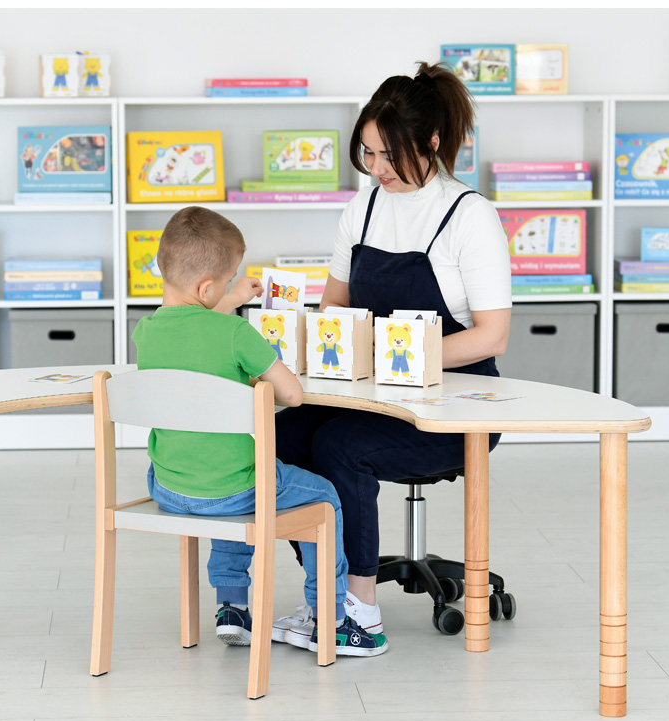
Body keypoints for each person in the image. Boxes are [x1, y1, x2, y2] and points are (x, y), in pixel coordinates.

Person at [272, 61, 512, 650]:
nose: (377, 169)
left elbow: (491, 337)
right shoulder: (364, 209)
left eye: (390, 155)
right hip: (371, 394)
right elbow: (335, 306)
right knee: (279, 436)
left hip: (456, 405)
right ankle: (326, 594)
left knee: (339, 446)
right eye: (369, 153)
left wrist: (393, 359)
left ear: (431, 142)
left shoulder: (469, 215)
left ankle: (361, 616)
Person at [132, 205, 387, 657]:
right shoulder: (237, 334)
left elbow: (195, 336)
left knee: (218, 487)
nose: (231, 284)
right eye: (229, 278)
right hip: (232, 488)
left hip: (169, 486)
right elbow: (292, 394)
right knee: (324, 498)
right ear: (206, 288)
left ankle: (231, 608)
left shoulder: (147, 332)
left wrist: (229, 298)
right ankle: (331, 620)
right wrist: (254, 374)